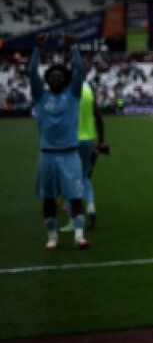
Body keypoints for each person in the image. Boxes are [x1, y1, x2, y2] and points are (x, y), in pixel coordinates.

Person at [28, 33, 91, 249]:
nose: (56, 77)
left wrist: (74, 47)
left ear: (65, 79)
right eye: (52, 75)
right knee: (48, 199)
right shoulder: (41, 96)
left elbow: (80, 70)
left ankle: (79, 236)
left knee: (75, 197)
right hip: (47, 156)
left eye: (60, 75)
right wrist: (38, 49)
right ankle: (52, 237)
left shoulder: (73, 96)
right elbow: (31, 73)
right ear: (47, 80)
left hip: (70, 155)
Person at [74, 69, 106, 229]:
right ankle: (91, 206)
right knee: (85, 177)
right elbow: (99, 116)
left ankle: (75, 221)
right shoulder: (88, 90)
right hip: (88, 139)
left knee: (72, 179)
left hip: (71, 140)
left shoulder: (69, 91)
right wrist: (101, 139)